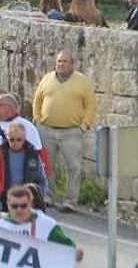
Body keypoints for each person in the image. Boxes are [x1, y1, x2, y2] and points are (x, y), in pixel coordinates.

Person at [33, 50, 97, 213]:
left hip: (72, 132)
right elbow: (37, 100)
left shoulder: (82, 81)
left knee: (73, 168)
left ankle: (70, 201)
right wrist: (38, 119)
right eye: (59, 61)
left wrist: (84, 125)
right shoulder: (47, 79)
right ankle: (48, 196)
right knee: (47, 165)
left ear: (72, 64)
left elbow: (91, 104)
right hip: (47, 130)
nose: (61, 64)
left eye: (64, 61)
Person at [0, 186, 84, 262]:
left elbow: (68, 248)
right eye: (14, 206)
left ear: (30, 203)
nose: (19, 210)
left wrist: (75, 253)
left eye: (23, 206)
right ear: (8, 204)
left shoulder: (46, 225)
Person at [0, 122, 49, 207]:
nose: (15, 143)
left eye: (19, 140)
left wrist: (37, 197)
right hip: (4, 201)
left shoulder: (33, 155)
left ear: (24, 138)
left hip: (27, 202)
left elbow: (42, 181)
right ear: (6, 137)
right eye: (12, 140)